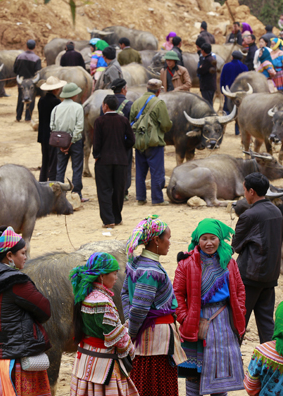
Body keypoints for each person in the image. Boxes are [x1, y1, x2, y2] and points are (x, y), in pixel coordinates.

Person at [0, 226, 52, 396]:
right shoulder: (17, 282)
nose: (26, 257)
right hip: (16, 358)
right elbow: (45, 311)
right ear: (9, 255)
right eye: (22, 253)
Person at [175, 218, 247, 396]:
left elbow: (239, 290)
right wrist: (184, 318)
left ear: (220, 239)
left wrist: (240, 312)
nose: (209, 243)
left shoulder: (229, 262)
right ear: (197, 240)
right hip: (196, 323)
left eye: (212, 238)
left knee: (220, 374)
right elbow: (176, 295)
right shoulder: (186, 263)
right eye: (204, 238)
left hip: (223, 322)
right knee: (194, 376)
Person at [122, 216, 187, 396]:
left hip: (146, 335)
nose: (170, 243)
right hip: (154, 340)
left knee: (143, 381)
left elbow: (125, 294)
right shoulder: (150, 271)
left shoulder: (135, 264)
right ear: (156, 240)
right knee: (156, 386)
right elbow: (140, 308)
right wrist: (132, 334)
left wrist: (129, 323)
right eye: (168, 238)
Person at [69, 252, 137, 396]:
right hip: (103, 365)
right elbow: (118, 340)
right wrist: (130, 346)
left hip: (85, 360)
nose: (116, 277)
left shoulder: (83, 296)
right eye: (114, 273)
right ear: (101, 276)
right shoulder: (102, 302)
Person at [232, 172, 283, 343]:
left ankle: (232, 363)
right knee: (266, 323)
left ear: (252, 191)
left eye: (245, 189)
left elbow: (236, 245)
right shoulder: (276, 211)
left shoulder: (249, 215)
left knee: (238, 322)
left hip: (249, 277)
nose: (244, 193)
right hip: (270, 276)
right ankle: (271, 363)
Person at [129, 79, 173, 206]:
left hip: (139, 142)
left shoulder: (136, 102)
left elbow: (131, 121)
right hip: (154, 143)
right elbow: (165, 125)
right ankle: (157, 199)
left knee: (140, 171)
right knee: (157, 172)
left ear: (147, 89)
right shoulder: (159, 103)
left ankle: (140, 198)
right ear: (158, 91)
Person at [94, 95, 135, 228]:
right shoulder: (123, 120)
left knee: (104, 190)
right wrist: (123, 148)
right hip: (121, 161)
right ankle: (117, 217)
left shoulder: (99, 121)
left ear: (105, 105)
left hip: (103, 161)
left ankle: (108, 220)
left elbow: (97, 142)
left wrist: (97, 155)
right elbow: (131, 140)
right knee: (119, 190)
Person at [51, 82, 87, 202]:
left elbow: (53, 126)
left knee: (60, 168)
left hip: (59, 142)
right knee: (77, 167)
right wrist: (70, 142)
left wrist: (62, 144)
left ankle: (59, 196)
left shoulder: (56, 108)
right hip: (75, 142)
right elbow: (79, 127)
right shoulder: (78, 107)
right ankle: (77, 195)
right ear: (74, 95)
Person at [37, 76, 66, 182]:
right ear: (56, 89)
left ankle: (42, 182)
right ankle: (52, 182)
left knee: (45, 160)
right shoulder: (57, 102)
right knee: (54, 162)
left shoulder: (41, 100)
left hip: (43, 135)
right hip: (53, 136)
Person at [109, 78, 134, 199]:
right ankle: (123, 190)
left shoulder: (106, 103)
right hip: (124, 142)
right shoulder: (129, 105)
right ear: (124, 89)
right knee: (125, 166)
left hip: (108, 142)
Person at [220, 50, 248, 135]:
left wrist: (223, 90)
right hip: (240, 93)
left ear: (232, 57)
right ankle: (237, 131)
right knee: (239, 111)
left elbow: (222, 79)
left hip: (229, 92)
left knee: (226, 110)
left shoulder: (226, 66)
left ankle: (223, 129)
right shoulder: (244, 67)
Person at [14, 39, 42, 121]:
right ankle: (28, 117)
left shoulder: (19, 57)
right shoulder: (37, 59)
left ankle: (18, 117)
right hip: (31, 82)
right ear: (35, 47)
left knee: (20, 97)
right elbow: (38, 72)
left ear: (26, 46)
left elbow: (15, 69)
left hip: (21, 81)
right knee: (31, 98)